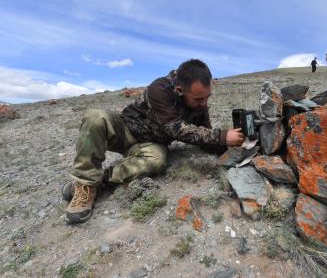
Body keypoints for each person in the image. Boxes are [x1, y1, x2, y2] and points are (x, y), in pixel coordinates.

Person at [63, 59, 245, 224]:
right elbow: (174, 129)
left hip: (151, 144)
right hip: (124, 130)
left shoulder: (199, 106)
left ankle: (100, 181)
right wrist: (222, 135)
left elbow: (204, 138)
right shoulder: (159, 89)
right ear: (179, 91)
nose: (204, 104)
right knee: (95, 116)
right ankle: (84, 184)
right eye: (199, 99)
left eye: (207, 97)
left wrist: (233, 145)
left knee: (157, 161)